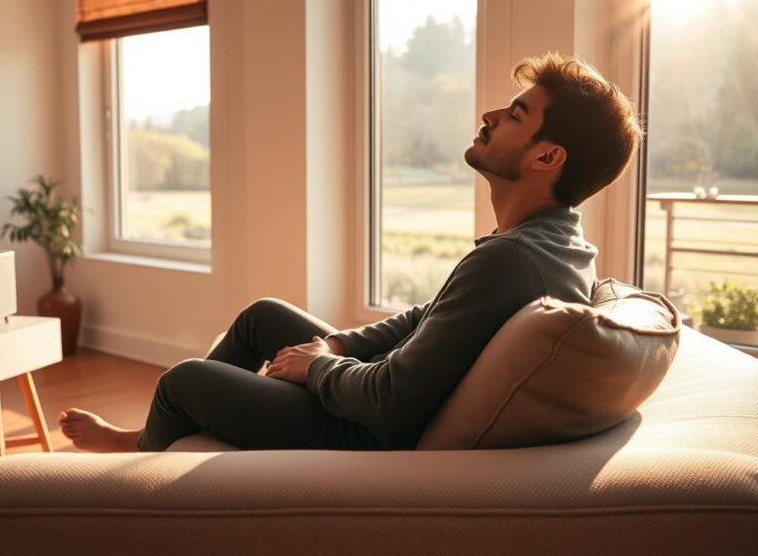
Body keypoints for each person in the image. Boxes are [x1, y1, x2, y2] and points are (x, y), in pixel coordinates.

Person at [59, 52, 643, 453]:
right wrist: (335, 345)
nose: (489, 116)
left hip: (371, 434)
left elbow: (391, 400)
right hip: (381, 396)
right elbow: (424, 319)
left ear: (547, 157)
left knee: (183, 381)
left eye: (515, 115)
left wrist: (317, 368)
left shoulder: (511, 261)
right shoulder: (554, 243)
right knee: (263, 315)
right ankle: (157, 437)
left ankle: (139, 455)